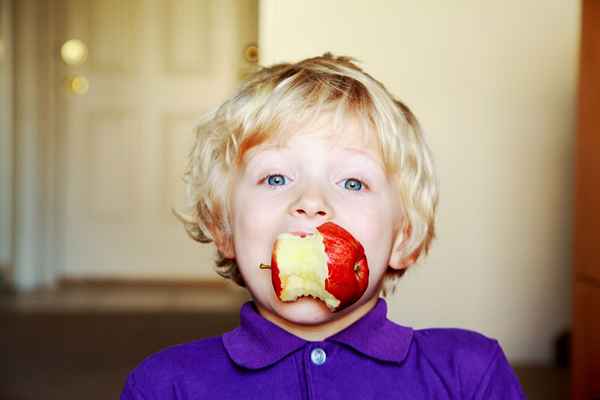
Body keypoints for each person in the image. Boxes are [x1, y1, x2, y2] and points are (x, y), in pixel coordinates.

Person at [120, 53, 526, 399]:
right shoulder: (167, 386)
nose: (311, 203)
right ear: (225, 228)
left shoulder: (467, 375)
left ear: (403, 239)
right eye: (276, 178)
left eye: (353, 182)